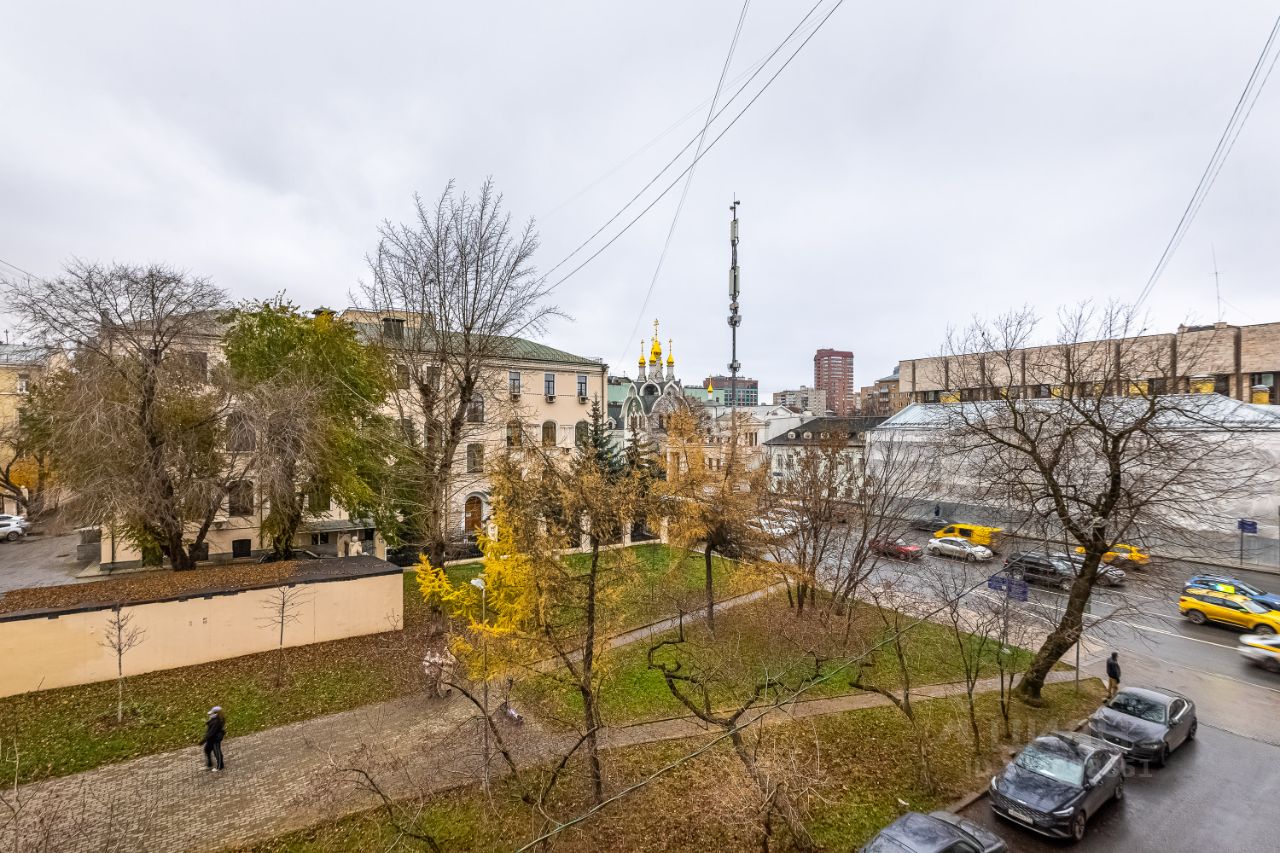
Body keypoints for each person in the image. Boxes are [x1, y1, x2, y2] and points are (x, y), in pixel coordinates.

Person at [202, 706, 226, 771]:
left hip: (215, 738)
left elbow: (212, 732)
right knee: (207, 749)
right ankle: (209, 765)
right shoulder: (215, 719)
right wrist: (207, 722)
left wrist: (204, 740)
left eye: (212, 713)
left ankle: (220, 766)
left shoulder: (217, 721)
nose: (210, 715)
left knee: (217, 752)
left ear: (216, 713)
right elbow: (211, 723)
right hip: (211, 738)